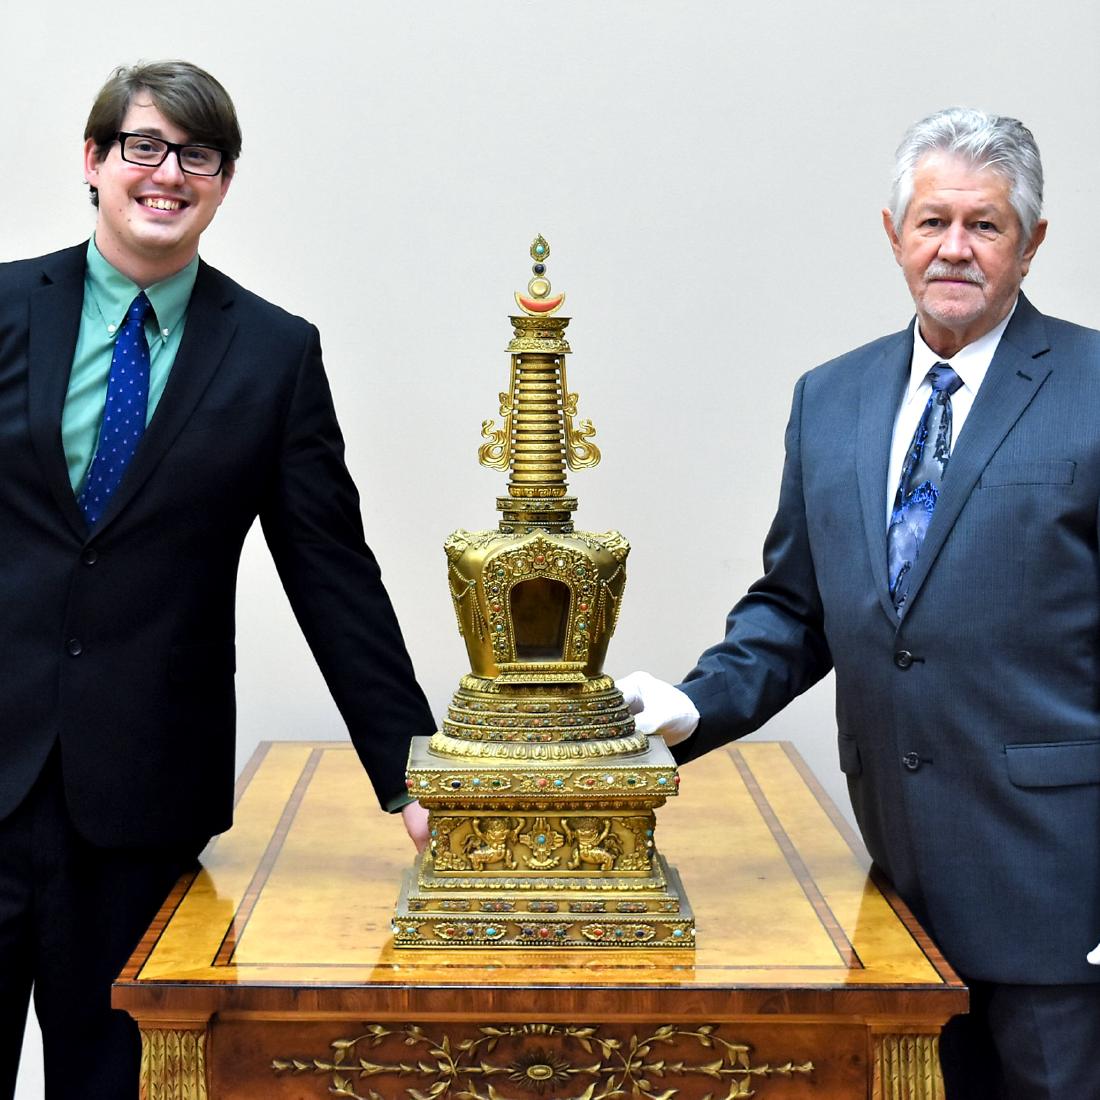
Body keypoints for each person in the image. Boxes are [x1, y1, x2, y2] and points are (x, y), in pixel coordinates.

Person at [620, 107, 1100, 1098]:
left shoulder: (1091, 387)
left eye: (985, 224)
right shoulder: (828, 399)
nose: (954, 248)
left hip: (1060, 900)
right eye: (931, 222)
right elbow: (793, 609)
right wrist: (693, 705)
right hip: (897, 898)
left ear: (1032, 242)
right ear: (892, 235)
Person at [0, 61, 434, 1098]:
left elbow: (333, 572)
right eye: (143, 146)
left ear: (223, 182)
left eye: (197, 155)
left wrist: (412, 766)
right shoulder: (7, 306)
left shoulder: (272, 354)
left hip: (139, 803)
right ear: (96, 162)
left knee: (115, 1084)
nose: (167, 173)